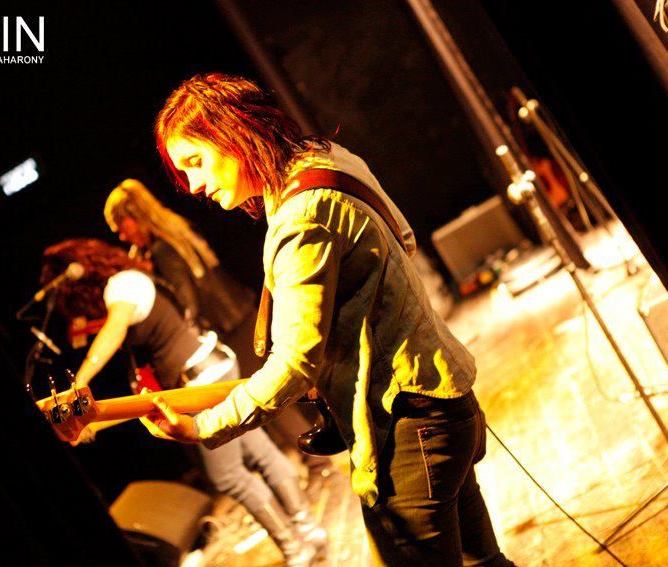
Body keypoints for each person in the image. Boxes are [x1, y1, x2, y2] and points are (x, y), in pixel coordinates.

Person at [139, 73, 513, 566]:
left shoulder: (301, 216)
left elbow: (294, 364)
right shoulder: (328, 160)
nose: (193, 186)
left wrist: (201, 428)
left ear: (232, 134)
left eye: (195, 162)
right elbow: (404, 239)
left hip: (405, 427)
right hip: (445, 402)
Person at [39, 238, 326, 566]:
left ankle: (296, 547)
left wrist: (79, 383)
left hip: (202, 379)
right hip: (210, 365)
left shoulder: (121, 286)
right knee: (259, 452)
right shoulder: (133, 277)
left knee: (228, 475)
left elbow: (115, 330)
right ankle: (308, 530)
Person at [104, 178, 334, 477]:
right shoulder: (176, 231)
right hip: (241, 313)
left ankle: (318, 462)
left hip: (230, 326)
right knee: (273, 389)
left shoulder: (161, 251)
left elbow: (187, 303)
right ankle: (318, 457)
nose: (122, 236)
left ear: (134, 217)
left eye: (121, 227)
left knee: (267, 395)